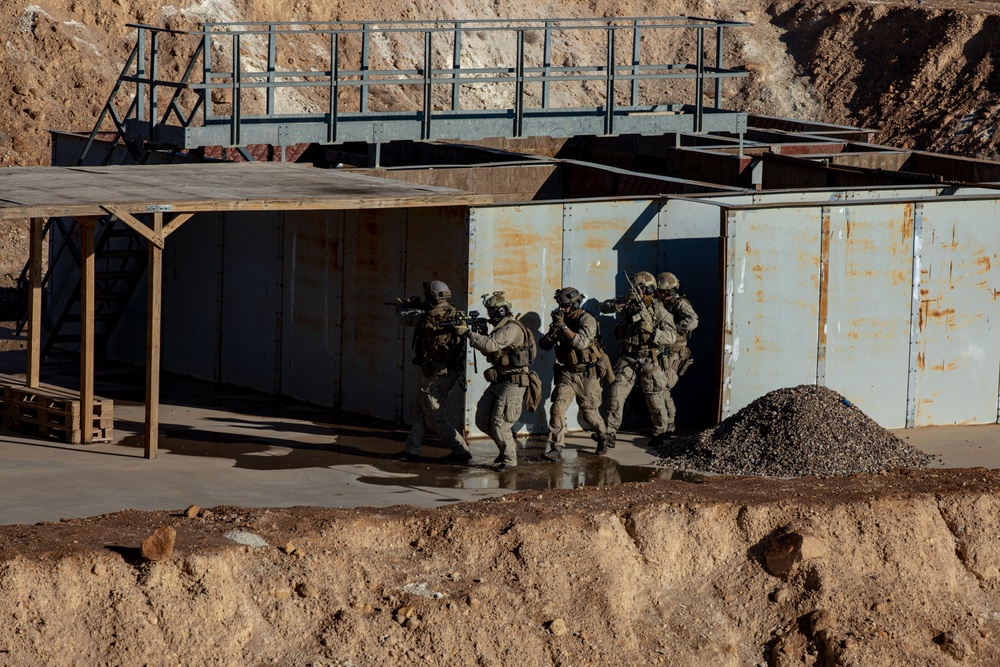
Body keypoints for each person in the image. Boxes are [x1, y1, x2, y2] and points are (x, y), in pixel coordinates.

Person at [395, 280, 472, 463]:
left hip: (434, 375)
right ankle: (411, 450)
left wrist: (401, 305)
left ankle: (461, 451)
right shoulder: (457, 314)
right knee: (419, 413)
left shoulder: (426, 315)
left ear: (431, 296)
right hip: (449, 373)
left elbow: (404, 317)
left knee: (435, 419)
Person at [599, 271, 679, 448]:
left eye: (640, 288)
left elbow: (672, 337)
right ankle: (610, 433)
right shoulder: (628, 302)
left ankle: (659, 433)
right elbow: (603, 307)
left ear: (648, 289)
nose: (636, 291)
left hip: (649, 359)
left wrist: (653, 332)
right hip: (628, 357)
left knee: (655, 399)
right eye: (634, 288)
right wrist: (621, 303)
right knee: (616, 393)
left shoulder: (658, 309)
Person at [457, 291, 533, 471]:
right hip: (499, 381)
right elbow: (490, 352)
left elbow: (490, 345)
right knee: (482, 420)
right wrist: (481, 333)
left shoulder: (511, 328)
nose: (489, 314)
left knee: (500, 424)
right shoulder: (499, 329)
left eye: (492, 310)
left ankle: (510, 460)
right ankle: (505, 448)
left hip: (514, 383)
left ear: (500, 310)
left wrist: (469, 333)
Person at [538, 286, 610, 460]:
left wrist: (562, 326)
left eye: (566, 306)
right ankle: (556, 448)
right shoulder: (561, 320)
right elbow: (544, 345)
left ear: (576, 303)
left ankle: (603, 436)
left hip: (587, 373)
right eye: (560, 306)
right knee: (557, 408)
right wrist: (555, 329)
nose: (562, 309)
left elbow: (580, 343)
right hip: (568, 373)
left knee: (590, 413)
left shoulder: (587, 320)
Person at [656, 272, 699, 438]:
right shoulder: (659, 305)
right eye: (658, 291)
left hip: (675, 353)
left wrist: (672, 330)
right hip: (662, 352)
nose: (660, 294)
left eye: (663, 292)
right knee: (659, 388)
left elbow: (693, 321)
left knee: (664, 387)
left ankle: (670, 423)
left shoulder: (680, 304)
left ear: (671, 291)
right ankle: (664, 422)